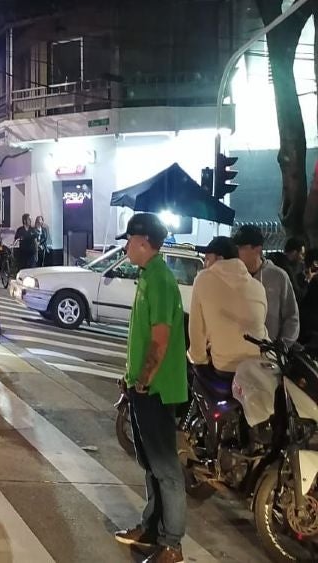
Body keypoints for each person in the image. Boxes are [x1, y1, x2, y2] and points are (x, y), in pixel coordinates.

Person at [113, 213, 188, 563]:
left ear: (143, 241)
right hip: (143, 388)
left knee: (166, 468)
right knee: (152, 465)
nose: (126, 246)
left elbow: (160, 338)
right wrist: (130, 378)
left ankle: (172, 544)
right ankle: (151, 529)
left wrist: (143, 381)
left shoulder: (159, 279)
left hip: (156, 391)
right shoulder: (148, 276)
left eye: (129, 240)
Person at [188, 236, 266, 374]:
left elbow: (196, 329)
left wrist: (198, 359)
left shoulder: (203, 279)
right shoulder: (257, 286)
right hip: (258, 364)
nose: (205, 264)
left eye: (207, 259)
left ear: (220, 259)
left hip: (226, 366)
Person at [232, 225, 300, 348]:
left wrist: (282, 345)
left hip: (268, 354)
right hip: (236, 351)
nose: (236, 252)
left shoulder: (278, 277)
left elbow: (291, 316)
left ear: (257, 249)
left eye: (241, 247)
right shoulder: (232, 275)